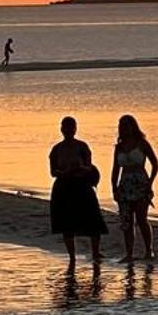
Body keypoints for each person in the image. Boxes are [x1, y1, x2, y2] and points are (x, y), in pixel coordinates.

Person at [49, 115, 106, 269]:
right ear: (61, 129)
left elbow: (89, 166)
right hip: (63, 186)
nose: (68, 130)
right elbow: (53, 171)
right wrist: (64, 172)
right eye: (65, 127)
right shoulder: (56, 149)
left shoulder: (82, 146)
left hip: (82, 184)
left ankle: (96, 252)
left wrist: (79, 168)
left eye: (71, 127)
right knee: (66, 224)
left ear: (75, 129)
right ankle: (72, 257)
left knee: (93, 220)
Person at [111, 113, 158, 264]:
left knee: (141, 218)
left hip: (140, 183)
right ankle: (129, 253)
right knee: (127, 220)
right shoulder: (119, 147)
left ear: (133, 126)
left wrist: (150, 182)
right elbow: (115, 169)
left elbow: (155, 164)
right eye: (122, 126)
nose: (124, 129)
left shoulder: (142, 143)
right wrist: (114, 187)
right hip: (125, 184)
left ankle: (148, 250)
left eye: (126, 125)